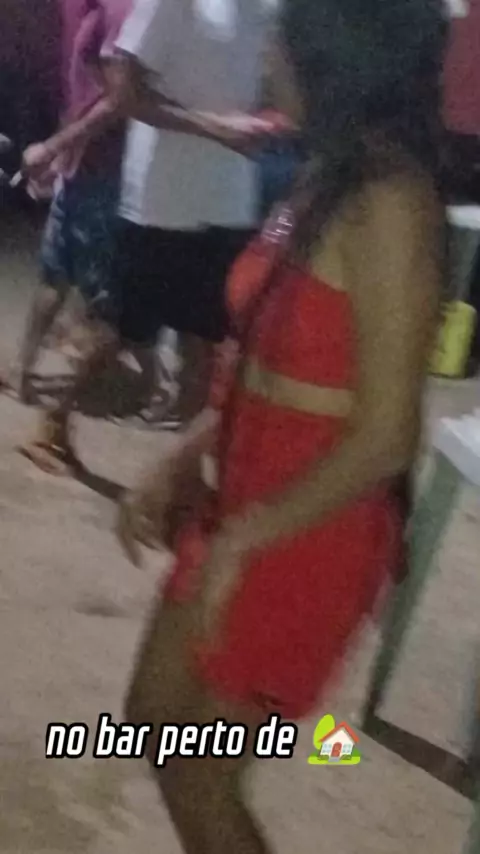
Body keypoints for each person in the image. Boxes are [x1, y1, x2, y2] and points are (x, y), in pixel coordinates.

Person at [118, 0, 446, 852]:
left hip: (313, 520)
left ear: (340, 56)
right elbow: (265, 353)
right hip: (248, 495)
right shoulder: (323, 175)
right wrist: (186, 454)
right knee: (155, 723)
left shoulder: (392, 202)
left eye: (283, 40)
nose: (268, 59)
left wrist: (248, 535)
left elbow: (387, 435)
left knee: (201, 773)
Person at [19, 0, 278, 471]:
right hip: (164, 199)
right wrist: (215, 128)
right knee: (124, 331)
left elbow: (279, 84)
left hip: (229, 196)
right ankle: (55, 421)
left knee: (206, 342)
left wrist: (271, 118)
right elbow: (126, 96)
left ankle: (182, 477)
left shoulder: (264, 7)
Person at [11, 0, 132, 405]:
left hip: (109, 169)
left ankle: (71, 409)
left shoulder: (120, 9)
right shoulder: (79, 8)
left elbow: (117, 102)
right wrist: (60, 155)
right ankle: (22, 369)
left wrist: (53, 147)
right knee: (54, 272)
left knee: (100, 297)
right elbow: (81, 92)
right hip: (80, 165)